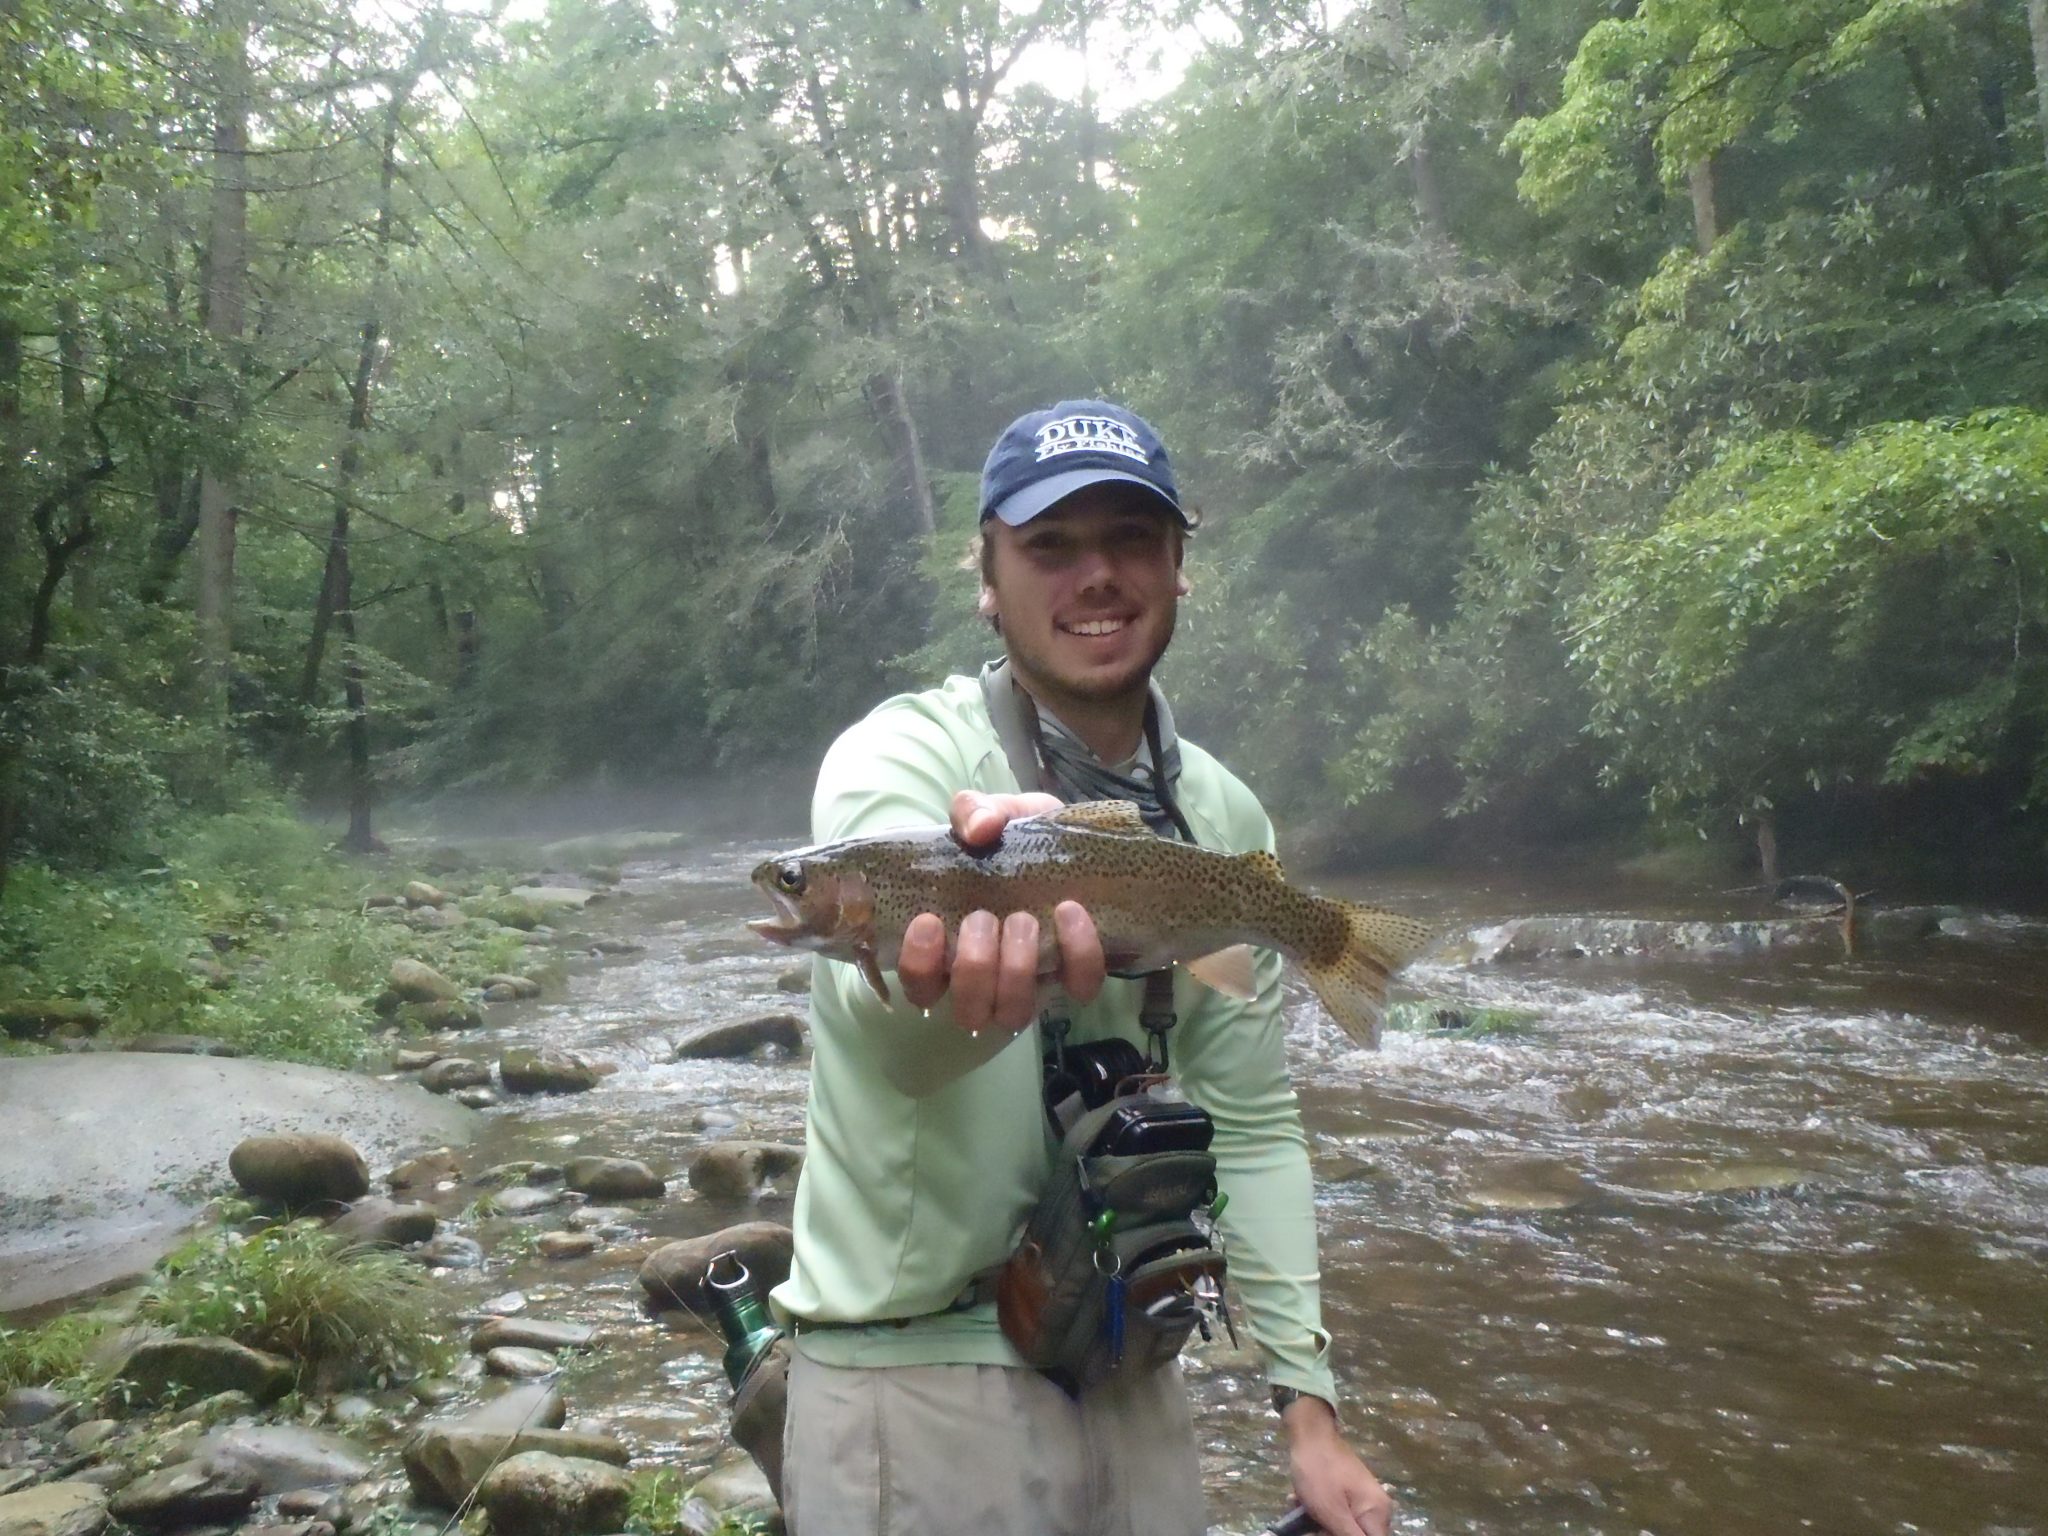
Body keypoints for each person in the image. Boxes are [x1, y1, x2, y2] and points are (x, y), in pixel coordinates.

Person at [771, 400, 1394, 1536]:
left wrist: (1308, 1409)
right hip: (908, 1384)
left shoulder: (1216, 812)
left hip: (1130, 1367)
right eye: (1049, 547)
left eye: (1129, 540)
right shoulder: (898, 760)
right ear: (987, 580)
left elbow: (1251, 1126)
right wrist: (950, 989)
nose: (1094, 575)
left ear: (1177, 569)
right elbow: (888, 1053)